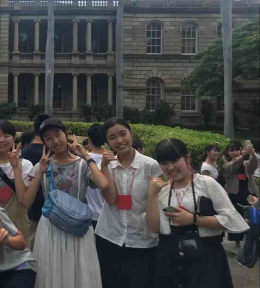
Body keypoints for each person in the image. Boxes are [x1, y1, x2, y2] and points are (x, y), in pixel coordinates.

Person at [14, 118, 107, 288]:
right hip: (51, 227)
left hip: (78, 227)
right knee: (52, 273)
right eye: (49, 138)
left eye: (58, 134)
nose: (55, 141)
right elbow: (26, 202)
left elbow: (103, 184)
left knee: (79, 272)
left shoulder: (82, 165)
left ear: (67, 134)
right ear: (44, 142)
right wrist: (40, 171)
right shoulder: (43, 165)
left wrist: (86, 156)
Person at [146, 138, 249, 288]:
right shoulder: (162, 191)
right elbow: (154, 228)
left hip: (206, 258)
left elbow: (232, 220)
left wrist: (193, 219)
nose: (170, 167)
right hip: (170, 257)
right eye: (164, 163)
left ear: (187, 158)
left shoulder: (206, 183)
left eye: (175, 160)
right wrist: (151, 195)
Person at [94, 118, 163, 288]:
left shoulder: (151, 165)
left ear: (131, 134)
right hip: (110, 236)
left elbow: (157, 202)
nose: (119, 140)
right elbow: (111, 199)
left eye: (123, 134)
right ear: (107, 142)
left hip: (141, 238)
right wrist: (104, 167)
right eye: (112, 137)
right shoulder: (107, 166)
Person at [19, 113, 52, 248]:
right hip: (51, 203)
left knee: (33, 241)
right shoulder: (52, 151)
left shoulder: (24, 151)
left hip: (33, 203)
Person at [222, 141, 258, 252]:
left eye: (237, 149)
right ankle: (237, 244)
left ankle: (252, 242)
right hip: (235, 195)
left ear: (241, 149)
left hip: (249, 193)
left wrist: (253, 154)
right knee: (236, 219)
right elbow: (233, 166)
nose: (235, 152)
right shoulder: (226, 165)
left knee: (253, 219)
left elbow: (254, 165)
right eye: (231, 150)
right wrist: (242, 156)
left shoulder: (247, 163)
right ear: (228, 152)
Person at [85, 124, 106, 229]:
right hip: (109, 216)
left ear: (89, 140)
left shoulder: (83, 160)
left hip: (89, 215)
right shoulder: (113, 159)